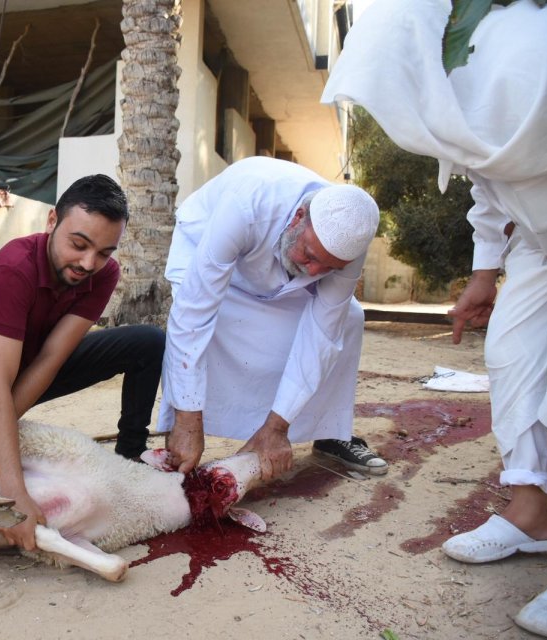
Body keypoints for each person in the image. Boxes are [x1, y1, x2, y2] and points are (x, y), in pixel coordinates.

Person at [321, 1, 547, 635]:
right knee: (511, 356)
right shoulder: (464, 75)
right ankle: (532, 513)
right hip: (540, 241)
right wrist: (484, 274)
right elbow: (489, 180)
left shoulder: (527, 53)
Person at [160, 156, 386, 481]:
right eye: (311, 255)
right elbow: (193, 314)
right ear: (298, 218)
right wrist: (187, 419)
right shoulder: (247, 204)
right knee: (204, 325)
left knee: (349, 317)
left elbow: (323, 332)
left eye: (329, 268)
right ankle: (181, 431)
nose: (314, 271)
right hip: (210, 258)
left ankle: (330, 432)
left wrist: (276, 428)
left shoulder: (348, 249)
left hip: (276, 280)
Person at [0, 174, 165, 550]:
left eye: (104, 252)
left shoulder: (104, 273)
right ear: (52, 221)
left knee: (149, 342)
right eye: (78, 245)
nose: (88, 262)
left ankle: (131, 452)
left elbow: (52, 357)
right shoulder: (15, 268)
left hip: (40, 364)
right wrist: (13, 492)